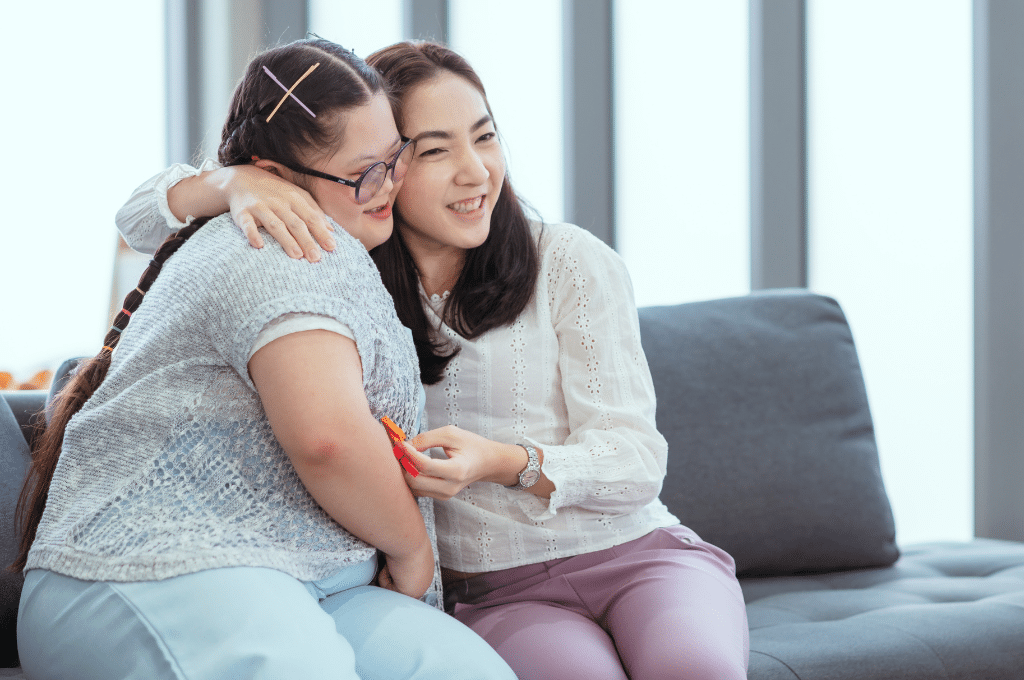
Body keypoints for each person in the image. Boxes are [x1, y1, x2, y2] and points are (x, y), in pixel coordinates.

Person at [114, 40, 750, 680]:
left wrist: (506, 463)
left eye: (485, 137)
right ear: (382, 160)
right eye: (434, 151)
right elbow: (139, 219)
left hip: (639, 554)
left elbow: (637, 461)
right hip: (498, 592)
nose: (476, 172)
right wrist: (240, 180)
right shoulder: (341, 273)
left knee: (694, 667)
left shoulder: (568, 260)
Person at [13, 38, 514, 680]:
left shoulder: (343, 238)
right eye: (364, 173)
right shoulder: (280, 243)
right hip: (156, 566)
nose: (387, 185)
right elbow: (327, 440)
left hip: (319, 577)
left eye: (395, 160)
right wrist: (414, 551)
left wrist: (232, 180)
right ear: (274, 176)